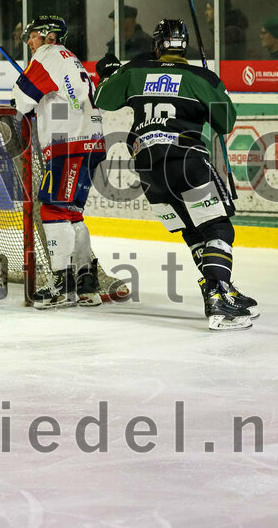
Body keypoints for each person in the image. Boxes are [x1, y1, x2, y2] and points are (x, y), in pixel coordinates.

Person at [95, 19, 257, 331]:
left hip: (147, 168)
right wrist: (214, 87)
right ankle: (219, 296)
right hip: (185, 159)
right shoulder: (201, 77)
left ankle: (220, 289)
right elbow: (226, 122)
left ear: (157, 46)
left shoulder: (136, 70)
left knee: (193, 231)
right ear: (185, 47)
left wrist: (108, 74)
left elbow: (103, 98)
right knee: (217, 227)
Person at [12, 14, 107, 309]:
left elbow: (20, 102)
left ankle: (62, 286)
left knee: (53, 209)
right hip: (91, 142)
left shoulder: (47, 55)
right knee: (72, 213)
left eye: (33, 35)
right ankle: (86, 286)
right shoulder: (70, 58)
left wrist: (21, 90)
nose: (30, 41)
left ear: (49, 36)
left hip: (69, 144)